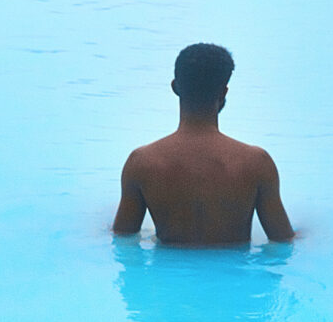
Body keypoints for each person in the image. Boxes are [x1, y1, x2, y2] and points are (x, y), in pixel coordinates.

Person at [113, 43, 295, 247]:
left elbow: (123, 237)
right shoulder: (256, 162)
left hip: (170, 275)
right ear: (224, 93)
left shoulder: (142, 162)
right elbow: (283, 241)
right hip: (233, 275)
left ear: (175, 87)